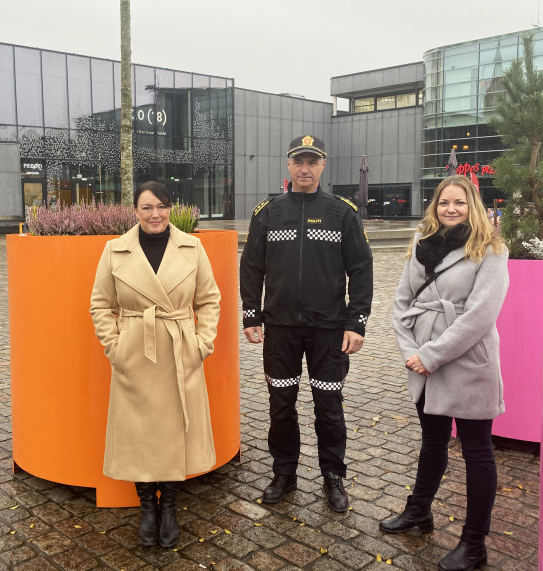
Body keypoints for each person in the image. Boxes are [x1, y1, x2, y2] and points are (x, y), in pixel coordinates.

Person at [240, 135, 373, 512]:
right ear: (288, 165)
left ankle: (334, 477)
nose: (305, 168)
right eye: (299, 161)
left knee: (328, 405)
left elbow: (361, 269)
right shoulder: (267, 211)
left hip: (329, 329)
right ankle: (284, 473)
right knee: (281, 405)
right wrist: (252, 313)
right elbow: (251, 266)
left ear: (322, 166)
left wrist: (356, 323)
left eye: (312, 162)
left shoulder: (342, 212)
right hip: (280, 328)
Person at [382, 174, 508, 571]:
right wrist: (411, 354)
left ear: (473, 206)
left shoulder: (490, 249)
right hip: (422, 363)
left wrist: (431, 355)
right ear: (434, 207)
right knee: (432, 442)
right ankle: (420, 511)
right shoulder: (420, 246)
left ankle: (474, 543)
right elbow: (401, 305)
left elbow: (481, 315)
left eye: (459, 202)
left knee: (476, 452)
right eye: (443, 203)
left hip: (468, 362)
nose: (450, 209)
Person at [90, 181, 220, 548]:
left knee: (174, 430)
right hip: (135, 352)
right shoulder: (115, 250)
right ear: (135, 210)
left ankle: (171, 506)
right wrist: (115, 347)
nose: (155, 214)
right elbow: (100, 304)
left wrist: (201, 344)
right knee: (139, 434)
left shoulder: (192, 248)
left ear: (170, 207)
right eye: (147, 207)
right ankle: (148, 506)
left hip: (180, 350)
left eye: (161, 206)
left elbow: (209, 300)